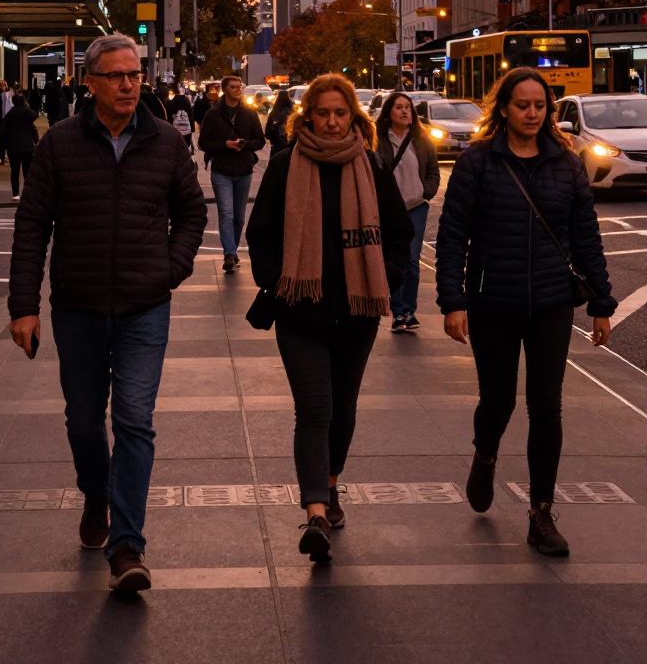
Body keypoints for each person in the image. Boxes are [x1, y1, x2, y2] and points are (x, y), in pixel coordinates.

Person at [7, 33, 207, 593]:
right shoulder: (60, 143)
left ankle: (127, 546)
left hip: (146, 307)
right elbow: (32, 226)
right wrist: (24, 306)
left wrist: (170, 269)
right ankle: (96, 494)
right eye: (116, 76)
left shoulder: (166, 142)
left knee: (135, 421)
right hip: (79, 307)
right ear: (90, 83)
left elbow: (192, 214)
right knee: (83, 421)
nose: (127, 85)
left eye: (134, 75)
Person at [435, 66, 617, 558]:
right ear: (504, 108)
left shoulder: (566, 162)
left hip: (552, 302)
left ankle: (541, 512)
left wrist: (601, 303)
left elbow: (586, 238)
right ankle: (485, 455)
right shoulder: (477, 162)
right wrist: (453, 300)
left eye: (540, 106)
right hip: (493, 300)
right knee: (498, 401)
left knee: (546, 405)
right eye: (523, 105)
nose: (532, 114)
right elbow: (452, 237)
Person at [246, 74, 413, 564]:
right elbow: (261, 233)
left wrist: (387, 276)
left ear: (353, 116)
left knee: (343, 408)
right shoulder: (285, 166)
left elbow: (399, 232)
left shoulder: (372, 166)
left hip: (358, 312)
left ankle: (332, 483)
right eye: (323, 113)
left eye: (341, 113)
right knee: (314, 409)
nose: (332, 121)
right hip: (301, 312)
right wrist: (278, 282)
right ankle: (316, 511)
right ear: (309, 116)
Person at [375, 91, 440, 334]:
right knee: (394, 259)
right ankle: (397, 310)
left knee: (412, 259)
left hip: (416, 207)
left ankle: (408, 310)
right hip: (390, 210)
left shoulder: (422, 140)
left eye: (407, 107)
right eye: (399, 107)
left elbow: (433, 171)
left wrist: (426, 192)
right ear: (389, 113)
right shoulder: (380, 140)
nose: (404, 111)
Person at [198, 76, 265, 273]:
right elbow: (203, 142)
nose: (238, 90)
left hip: (244, 170)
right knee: (226, 214)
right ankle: (228, 253)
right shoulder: (213, 114)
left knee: (239, 217)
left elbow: (260, 140)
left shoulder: (249, 113)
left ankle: (232, 251)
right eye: (233, 87)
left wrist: (246, 144)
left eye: (239, 87)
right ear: (225, 90)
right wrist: (224, 145)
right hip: (222, 171)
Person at [0, 93, 39, 199]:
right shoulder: (28, 113)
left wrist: (3, 146)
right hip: (27, 145)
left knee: (15, 170)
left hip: (13, 146)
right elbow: (34, 117)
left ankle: (15, 193)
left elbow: (3, 132)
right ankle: (27, 191)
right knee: (27, 170)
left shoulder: (10, 114)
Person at [265, 89, 293, 158]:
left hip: (276, 146)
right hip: (289, 148)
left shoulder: (274, 113)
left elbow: (267, 133)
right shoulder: (293, 113)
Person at [166, 84, 195, 151]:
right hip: (186, 132)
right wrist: (192, 129)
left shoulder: (171, 102)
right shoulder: (186, 101)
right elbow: (191, 115)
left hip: (174, 131)